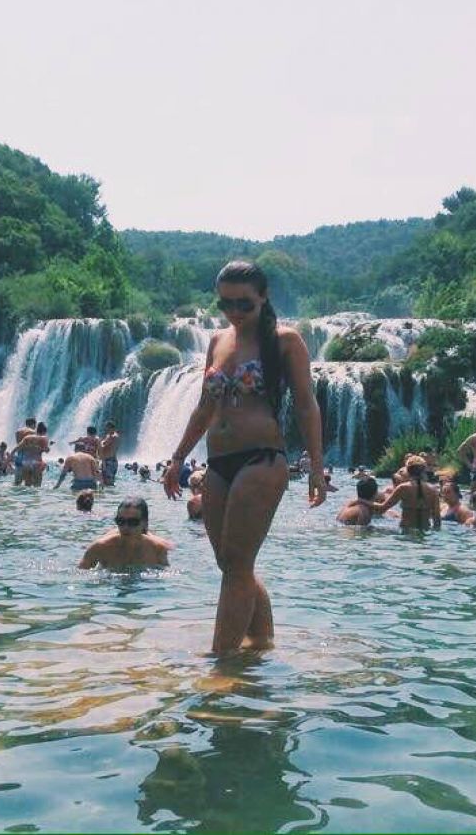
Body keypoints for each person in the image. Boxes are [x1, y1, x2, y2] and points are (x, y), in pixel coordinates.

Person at [163, 260, 326, 655]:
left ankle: (220, 663)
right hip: (217, 463)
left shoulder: (285, 340)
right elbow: (205, 406)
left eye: (244, 304)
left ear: (263, 298)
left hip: (262, 459)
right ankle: (261, 644)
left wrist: (315, 468)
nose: (235, 312)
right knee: (233, 565)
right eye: (226, 304)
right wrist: (177, 458)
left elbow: (306, 406)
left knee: (236, 565)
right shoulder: (218, 341)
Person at [78, 497, 170, 570]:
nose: (125, 527)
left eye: (133, 522)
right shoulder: (99, 548)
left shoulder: (157, 550)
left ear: (145, 523)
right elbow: (80, 576)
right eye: (120, 521)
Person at [373, 454, 440, 530]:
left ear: (408, 470)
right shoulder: (433, 490)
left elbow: (382, 508)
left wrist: (363, 500)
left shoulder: (403, 488)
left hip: (406, 530)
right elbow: (437, 519)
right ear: (424, 471)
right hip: (424, 530)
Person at [16, 422, 50, 486]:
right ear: (44, 431)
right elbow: (46, 450)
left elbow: (18, 448)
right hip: (37, 462)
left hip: (26, 462)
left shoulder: (28, 437)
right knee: (37, 486)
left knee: (27, 485)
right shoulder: (44, 438)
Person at [13, 417, 37, 485]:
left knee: (17, 483)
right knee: (28, 483)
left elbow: (19, 445)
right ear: (33, 424)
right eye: (35, 425)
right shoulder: (33, 432)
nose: (35, 427)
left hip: (19, 456)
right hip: (29, 458)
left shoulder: (18, 432)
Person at [95, 420, 119, 487]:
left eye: (107, 428)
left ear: (111, 427)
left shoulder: (112, 436)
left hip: (109, 461)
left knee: (108, 483)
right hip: (112, 461)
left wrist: (100, 442)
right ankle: (110, 496)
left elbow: (103, 445)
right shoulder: (113, 435)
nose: (106, 429)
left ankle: (109, 496)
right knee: (108, 482)